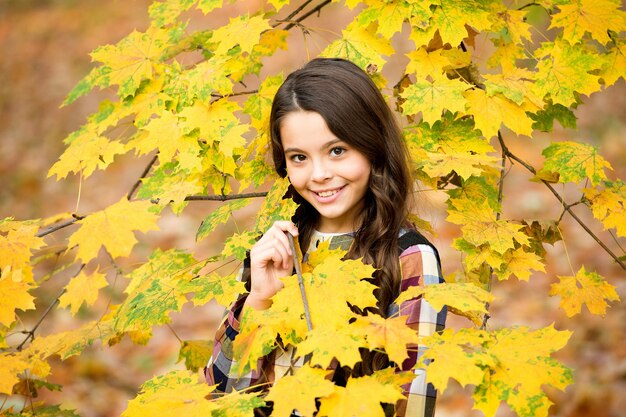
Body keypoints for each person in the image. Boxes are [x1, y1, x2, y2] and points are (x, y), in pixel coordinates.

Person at [205, 58, 446, 417]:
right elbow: (222, 399)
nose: (319, 174)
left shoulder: (408, 257)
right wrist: (259, 300)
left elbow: (411, 404)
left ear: (372, 146)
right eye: (299, 157)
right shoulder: (276, 249)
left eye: (337, 151)